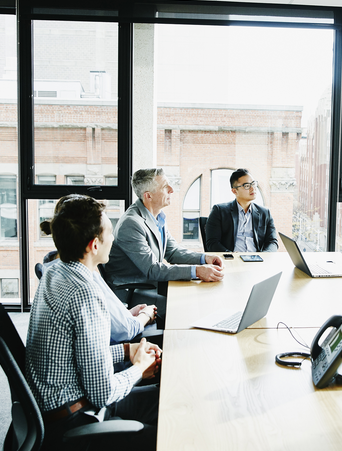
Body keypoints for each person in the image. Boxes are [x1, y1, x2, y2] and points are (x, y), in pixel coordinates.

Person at [26, 194, 161, 451]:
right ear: (94, 245)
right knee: (173, 428)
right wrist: (139, 368)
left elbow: (82, 355)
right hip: (78, 418)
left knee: (167, 398)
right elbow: (102, 393)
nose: (113, 238)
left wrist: (126, 350)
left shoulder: (55, 269)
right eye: (109, 233)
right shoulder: (85, 294)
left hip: (63, 402)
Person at [101, 168, 224, 293]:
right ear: (148, 196)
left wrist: (204, 258)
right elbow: (152, 269)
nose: (171, 190)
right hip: (132, 291)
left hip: (150, 284)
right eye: (165, 187)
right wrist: (197, 271)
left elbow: (173, 252)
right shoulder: (131, 224)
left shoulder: (158, 216)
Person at [205, 168, 278, 253]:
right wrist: (231, 255)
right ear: (234, 191)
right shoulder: (219, 211)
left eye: (253, 184)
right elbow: (212, 243)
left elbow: (272, 242)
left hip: (257, 261)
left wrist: (263, 256)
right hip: (231, 261)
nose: (252, 188)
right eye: (247, 185)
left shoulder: (265, 213)